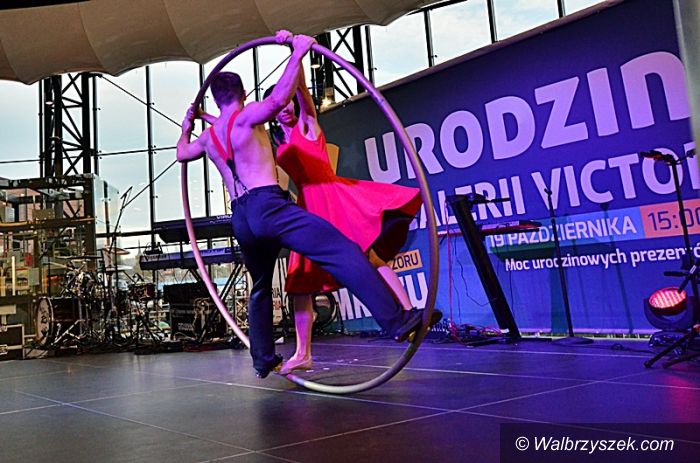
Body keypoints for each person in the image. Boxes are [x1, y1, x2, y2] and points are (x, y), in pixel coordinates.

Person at [176, 30, 441, 379]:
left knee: (259, 286)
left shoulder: (209, 136)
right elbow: (278, 98)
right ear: (243, 94)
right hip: (269, 208)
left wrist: (188, 125)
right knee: (343, 251)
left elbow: (182, 153)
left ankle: (262, 358)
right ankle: (397, 320)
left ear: (214, 99)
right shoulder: (249, 115)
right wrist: (298, 52)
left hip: (241, 217)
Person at [262, 72, 423, 375]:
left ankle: (409, 312)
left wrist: (297, 58)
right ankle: (303, 353)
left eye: (288, 101)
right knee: (299, 282)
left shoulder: (307, 125)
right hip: (307, 207)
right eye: (278, 104)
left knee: (368, 257)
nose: (284, 108)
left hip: (333, 198)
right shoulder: (276, 142)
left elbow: (304, 94)